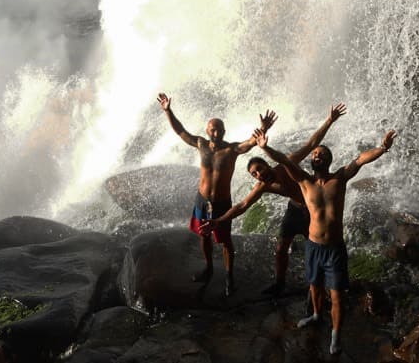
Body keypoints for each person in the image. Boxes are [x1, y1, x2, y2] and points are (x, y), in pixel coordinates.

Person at [255, 125, 397, 355]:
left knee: (337, 295)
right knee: (315, 286)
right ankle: (316, 315)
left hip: (334, 248)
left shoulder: (339, 178)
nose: (316, 155)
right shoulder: (304, 182)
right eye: (314, 154)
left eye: (320, 154)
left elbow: (360, 160)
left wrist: (382, 148)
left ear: (328, 160)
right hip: (313, 246)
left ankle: (335, 334)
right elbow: (285, 161)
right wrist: (265, 147)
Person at [202, 102, 348, 296]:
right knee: (281, 249)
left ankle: (325, 288)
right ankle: (280, 284)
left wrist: (329, 120)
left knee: (317, 249)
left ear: (267, 166)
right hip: (294, 210)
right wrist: (218, 221)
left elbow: (311, 144)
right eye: (254, 175)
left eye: (259, 170)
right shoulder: (264, 186)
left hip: (312, 212)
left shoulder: (286, 165)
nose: (259, 176)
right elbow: (242, 205)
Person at [157, 92, 277, 297]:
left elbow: (250, 142)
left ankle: (229, 276)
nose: (216, 132)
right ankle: (209, 268)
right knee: (203, 235)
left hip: (221, 202)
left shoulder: (231, 150)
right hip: (202, 200)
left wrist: (263, 129)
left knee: (225, 241)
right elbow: (180, 131)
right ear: (207, 130)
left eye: (219, 129)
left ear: (224, 131)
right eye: (213, 129)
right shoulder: (200, 144)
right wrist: (168, 111)